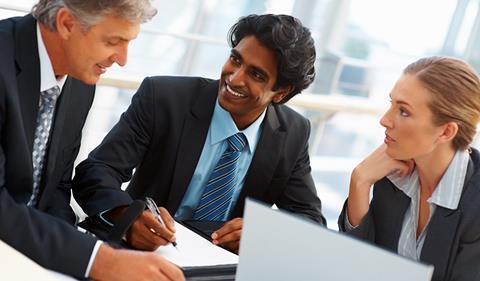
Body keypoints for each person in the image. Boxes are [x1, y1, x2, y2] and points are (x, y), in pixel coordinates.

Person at [73, 13, 326, 253]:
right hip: (146, 254)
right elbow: (95, 172)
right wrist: (127, 217)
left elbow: (310, 221)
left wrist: (263, 234)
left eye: (256, 74)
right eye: (235, 59)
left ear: (281, 92)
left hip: (220, 268)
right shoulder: (163, 98)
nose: (235, 78)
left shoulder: (293, 133)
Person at [0, 1, 184, 280]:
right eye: (113, 41)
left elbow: (55, 188)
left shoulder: (80, 80)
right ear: (66, 23)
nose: (122, 59)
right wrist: (97, 260)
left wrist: (81, 255)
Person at [338, 57, 480, 281]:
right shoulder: (391, 175)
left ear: (446, 132)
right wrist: (360, 182)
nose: (385, 120)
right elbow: (357, 265)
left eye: (403, 111)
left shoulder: (475, 209)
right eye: (391, 103)